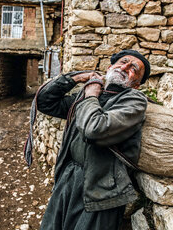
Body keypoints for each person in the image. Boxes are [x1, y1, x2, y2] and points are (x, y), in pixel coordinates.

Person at [34, 50, 150, 229]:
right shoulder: (94, 94)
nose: (125, 67)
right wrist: (76, 78)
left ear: (136, 85)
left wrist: (91, 94)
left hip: (101, 190)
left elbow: (94, 130)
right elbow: (45, 102)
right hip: (68, 178)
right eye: (123, 62)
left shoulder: (134, 101)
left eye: (133, 68)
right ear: (110, 67)